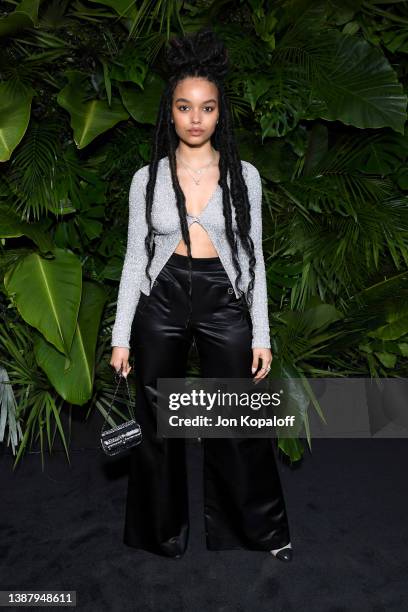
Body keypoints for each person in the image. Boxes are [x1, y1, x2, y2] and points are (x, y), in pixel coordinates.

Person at [110, 28, 292, 562]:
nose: (195, 118)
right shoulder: (148, 179)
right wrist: (122, 334)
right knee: (156, 422)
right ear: (170, 112)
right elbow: (134, 258)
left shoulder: (244, 176)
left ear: (219, 113)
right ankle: (158, 534)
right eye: (185, 107)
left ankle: (251, 532)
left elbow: (254, 258)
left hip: (223, 297)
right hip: (161, 298)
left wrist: (260, 332)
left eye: (207, 107)